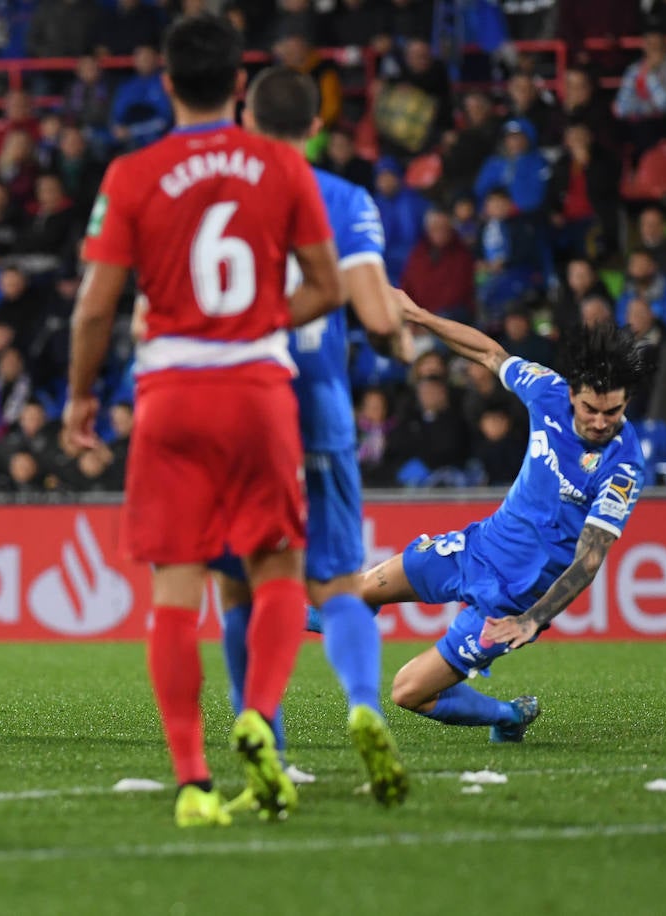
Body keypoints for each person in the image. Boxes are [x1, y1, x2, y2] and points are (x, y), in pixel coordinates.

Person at [64, 15, 340, 828]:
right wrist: (257, 324)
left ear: (166, 84)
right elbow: (327, 286)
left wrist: (80, 397)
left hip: (171, 395)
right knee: (278, 566)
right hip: (257, 391)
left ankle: (192, 780)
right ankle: (258, 714)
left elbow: (94, 308)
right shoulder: (283, 165)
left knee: (175, 590)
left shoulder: (132, 172)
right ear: (239, 83)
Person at [207, 66, 410, 810]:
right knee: (336, 579)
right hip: (321, 403)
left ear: (246, 118)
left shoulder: (218, 196)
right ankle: (363, 704)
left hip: (240, 402)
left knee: (240, 582)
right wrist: (399, 343)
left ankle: (269, 744)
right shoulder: (345, 199)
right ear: (316, 127)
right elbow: (379, 319)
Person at [365, 294, 652, 742]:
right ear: (571, 394)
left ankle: (508, 715)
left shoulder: (623, 466)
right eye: (590, 409)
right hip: (478, 546)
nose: (600, 422)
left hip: (512, 599)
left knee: (408, 691)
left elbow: (590, 559)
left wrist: (532, 619)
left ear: (626, 403)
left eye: (612, 412)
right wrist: (418, 315)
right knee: (359, 590)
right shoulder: (547, 390)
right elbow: (488, 352)